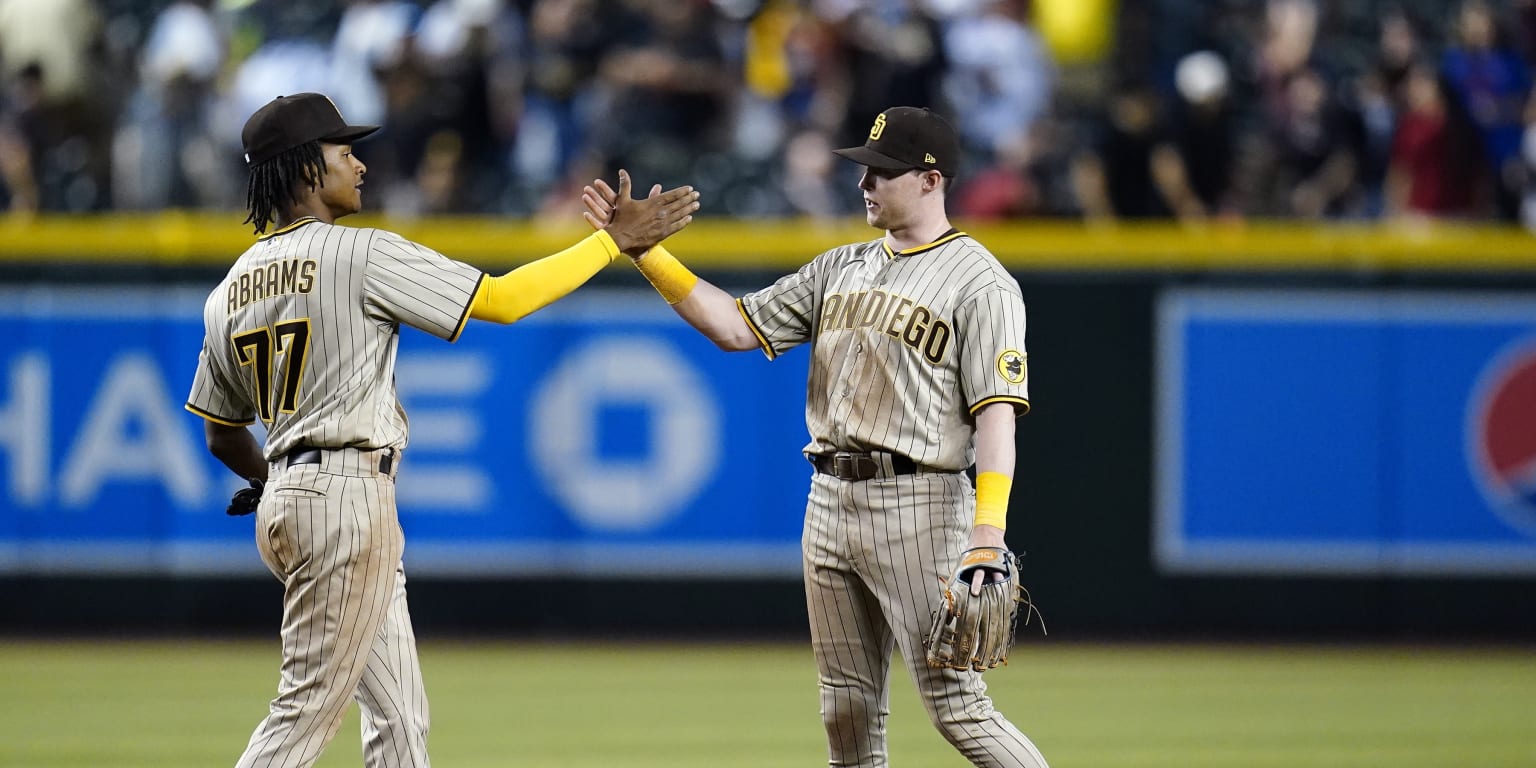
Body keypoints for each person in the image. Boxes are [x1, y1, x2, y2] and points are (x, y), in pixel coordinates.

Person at [184, 91, 698, 768]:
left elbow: (221, 431)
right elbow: (504, 301)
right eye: (344, 153)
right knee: (305, 711)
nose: (360, 165)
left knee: (399, 718)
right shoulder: (358, 253)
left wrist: (274, 480)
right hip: (345, 498)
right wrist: (611, 243)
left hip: (287, 497)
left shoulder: (229, 290)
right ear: (308, 170)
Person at [583, 106, 1047, 767]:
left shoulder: (982, 282)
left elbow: (996, 416)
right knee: (846, 712)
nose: (865, 185)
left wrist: (986, 536)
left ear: (930, 180)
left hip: (920, 503)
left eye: (882, 173)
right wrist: (647, 254)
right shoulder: (841, 267)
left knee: (958, 710)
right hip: (828, 501)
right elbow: (736, 327)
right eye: (863, 170)